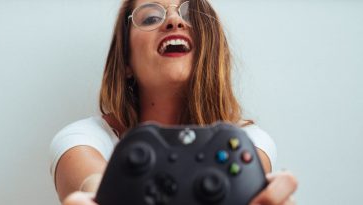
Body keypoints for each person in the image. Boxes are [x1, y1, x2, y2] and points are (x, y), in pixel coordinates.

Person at [50, 0, 298, 204]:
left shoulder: (247, 140)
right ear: (126, 62)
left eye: (189, 13)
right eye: (150, 18)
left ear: (208, 47)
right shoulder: (84, 138)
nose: (174, 21)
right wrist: (98, 191)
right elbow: (93, 181)